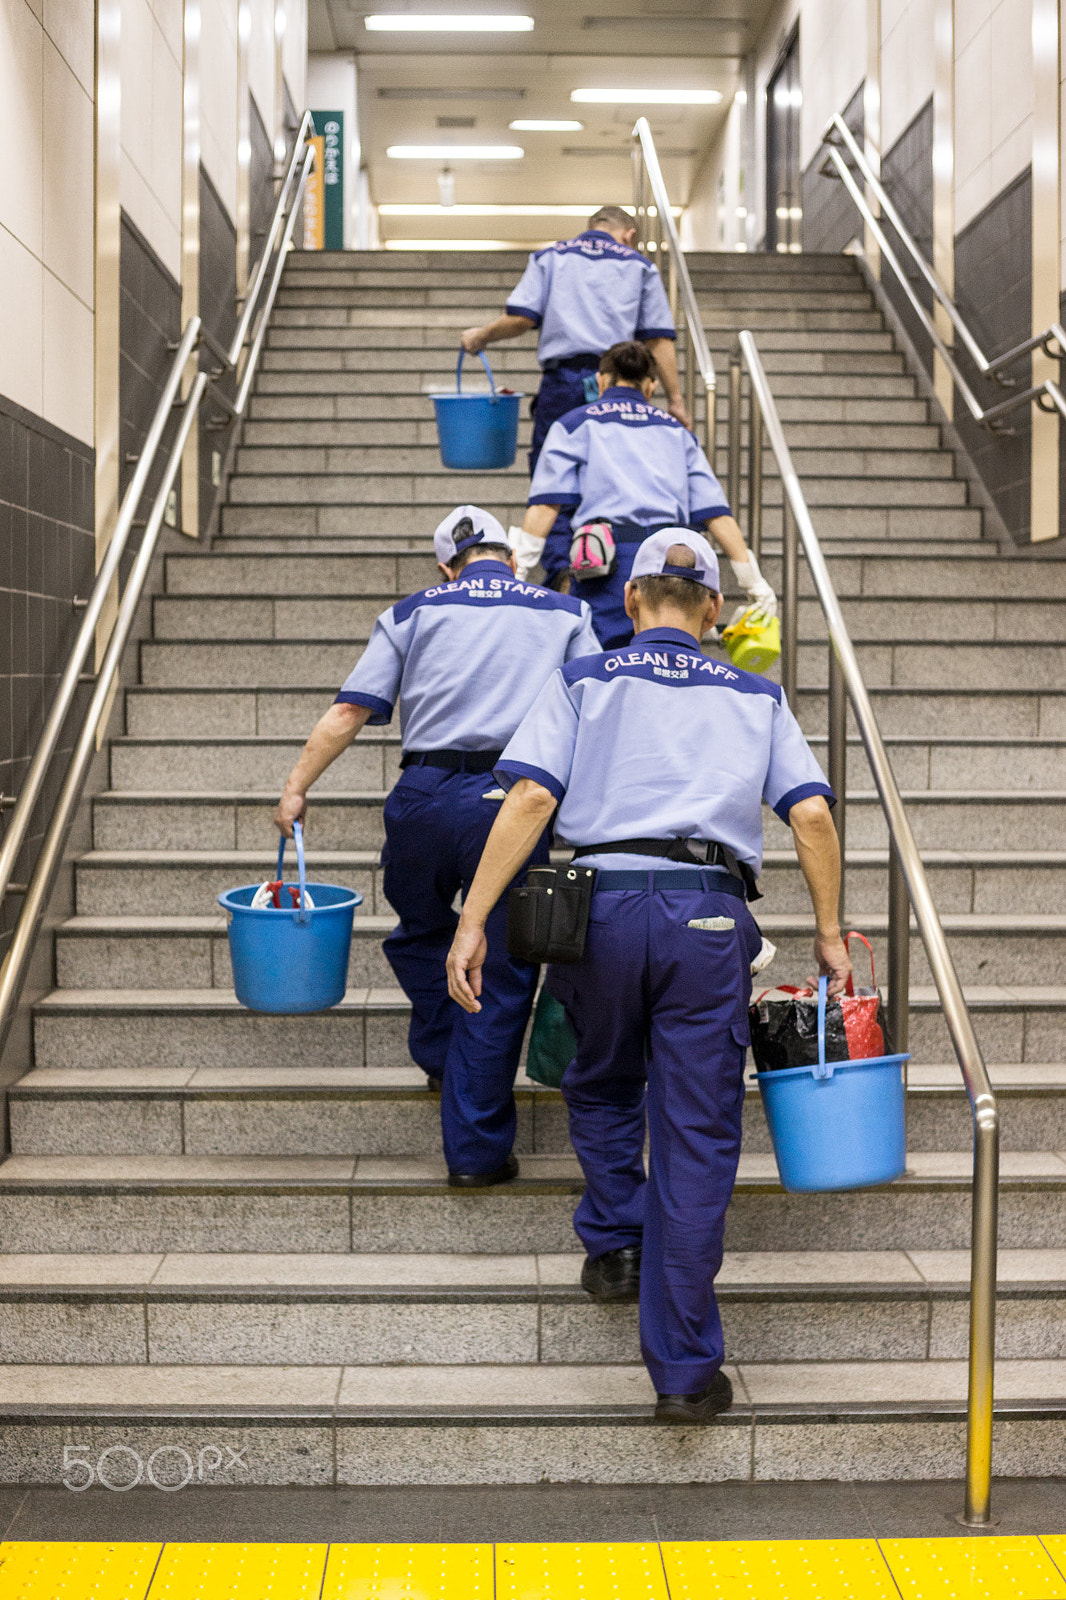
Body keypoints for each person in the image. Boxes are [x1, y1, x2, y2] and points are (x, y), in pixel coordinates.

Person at [445, 530, 850, 1421]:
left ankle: (618, 1239)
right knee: (698, 1135)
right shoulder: (755, 691)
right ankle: (683, 1372)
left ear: (628, 603)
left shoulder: (587, 678)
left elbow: (532, 797)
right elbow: (811, 815)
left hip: (598, 908)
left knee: (598, 1077)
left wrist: (474, 918)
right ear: (712, 610)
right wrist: (827, 932)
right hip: (708, 914)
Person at [274, 505, 600, 1186]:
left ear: (447, 565)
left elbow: (347, 712)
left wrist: (297, 787)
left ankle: (445, 1058)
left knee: (419, 934)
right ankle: (477, 1150)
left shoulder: (412, 610)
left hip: (421, 795)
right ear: (509, 557)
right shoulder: (562, 612)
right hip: (512, 802)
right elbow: (597, 711)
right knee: (502, 971)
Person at [511, 340, 776, 648]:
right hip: (672, 565)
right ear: (650, 386)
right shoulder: (678, 433)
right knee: (669, 664)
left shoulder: (573, 425)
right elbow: (716, 513)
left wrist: (517, 574)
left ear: (601, 380)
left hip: (604, 567)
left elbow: (546, 506)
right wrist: (753, 583)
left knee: (604, 671)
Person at [461, 205, 690, 486]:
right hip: (617, 382)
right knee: (615, 472)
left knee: (553, 471)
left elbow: (520, 319)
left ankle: (555, 530)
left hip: (562, 382)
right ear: (629, 235)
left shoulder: (549, 258)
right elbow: (658, 340)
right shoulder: (640, 266)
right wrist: (675, 401)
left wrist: (480, 336)